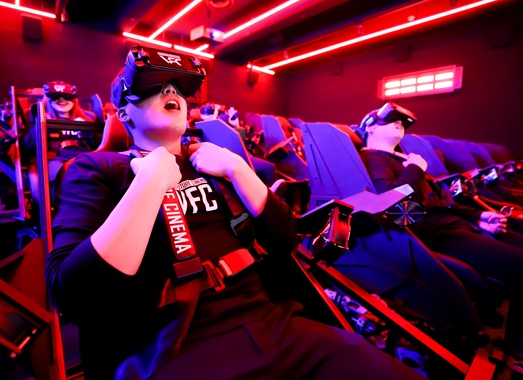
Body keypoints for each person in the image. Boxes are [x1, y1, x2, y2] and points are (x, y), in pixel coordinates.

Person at [45, 45, 424, 380]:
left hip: (271, 323)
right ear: (124, 115)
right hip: (172, 347)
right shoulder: (99, 168)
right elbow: (71, 293)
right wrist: (148, 183)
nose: (171, 92)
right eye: (154, 86)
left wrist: (238, 169)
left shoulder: (213, 162)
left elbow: (283, 240)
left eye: (178, 87)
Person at [358, 102, 523, 355]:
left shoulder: (405, 158)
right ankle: (516, 351)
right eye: (390, 120)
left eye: (402, 121)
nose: (399, 123)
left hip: (455, 224)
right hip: (438, 234)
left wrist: (478, 216)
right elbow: (394, 203)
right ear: (369, 128)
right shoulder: (374, 157)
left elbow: (440, 201)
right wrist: (415, 169)